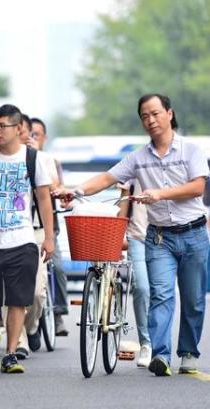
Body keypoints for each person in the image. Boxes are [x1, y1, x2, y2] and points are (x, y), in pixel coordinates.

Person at [55, 93, 209, 377]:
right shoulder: (137, 158)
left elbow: (198, 187)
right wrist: (75, 190)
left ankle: (188, 351)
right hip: (159, 237)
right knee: (160, 294)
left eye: (155, 113)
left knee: (193, 299)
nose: (150, 120)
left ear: (169, 114)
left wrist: (160, 194)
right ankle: (160, 355)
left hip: (194, 234)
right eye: (144, 116)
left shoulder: (191, 151)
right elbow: (106, 179)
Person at [0, 104, 54, 374]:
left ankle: (11, 353)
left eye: (2, 126)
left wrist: (49, 237)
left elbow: (43, 198)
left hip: (22, 239)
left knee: (18, 299)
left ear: (19, 129)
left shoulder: (33, 159)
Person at [10, 114, 60, 359]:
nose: (22, 136)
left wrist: (35, 160)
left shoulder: (42, 159)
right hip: (10, 232)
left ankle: (31, 326)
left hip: (37, 232)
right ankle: (17, 342)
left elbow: (53, 191)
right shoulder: (1, 159)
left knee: (37, 293)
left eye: (25, 132)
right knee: (12, 291)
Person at [31, 117, 69, 336]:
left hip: (48, 227)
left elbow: (57, 187)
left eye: (37, 135)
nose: (32, 139)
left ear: (44, 138)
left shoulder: (49, 160)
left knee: (59, 267)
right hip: (28, 227)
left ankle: (59, 313)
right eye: (30, 134)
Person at [118, 179, 151, 367]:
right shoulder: (134, 169)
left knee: (161, 293)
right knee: (142, 288)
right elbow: (123, 211)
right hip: (137, 238)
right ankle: (146, 344)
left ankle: (162, 347)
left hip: (165, 237)